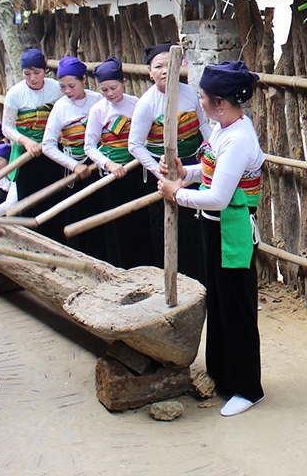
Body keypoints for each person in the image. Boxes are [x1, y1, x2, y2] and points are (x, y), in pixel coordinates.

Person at [158, 61, 265, 417]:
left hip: (231, 231)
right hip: (213, 227)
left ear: (220, 102)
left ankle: (247, 388)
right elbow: (207, 170)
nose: (198, 101)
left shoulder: (238, 139)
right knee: (218, 304)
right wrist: (181, 171)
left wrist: (176, 193)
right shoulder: (222, 128)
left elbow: (219, 197)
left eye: (202, 97)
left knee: (236, 310)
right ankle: (223, 376)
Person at [129, 42, 209, 278]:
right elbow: (134, 145)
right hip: (163, 175)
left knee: (195, 225)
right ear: (149, 72)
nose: (165, 70)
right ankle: (173, 279)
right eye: (158, 66)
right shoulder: (146, 104)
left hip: (192, 168)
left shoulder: (190, 93)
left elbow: (203, 125)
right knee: (168, 227)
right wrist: (159, 170)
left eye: (169, 64)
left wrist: (214, 153)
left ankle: (200, 279)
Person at [84, 57, 152, 267]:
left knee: (141, 222)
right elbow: (89, 146)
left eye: (113, 88)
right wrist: (109, 165)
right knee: (117, 225)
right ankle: (119, 266)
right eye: (104, 90)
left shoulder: (137, 104)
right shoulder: (98, 110)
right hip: (112, 176)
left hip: (137, 172)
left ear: (123, 82)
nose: (110, 94)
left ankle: (145, 265)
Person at [41, 56, 101, 249]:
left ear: (84, 80)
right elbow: (48, 145)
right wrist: (73, 165)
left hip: (99, 168)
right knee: (77, 215)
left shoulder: (97, 100)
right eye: (62, 87)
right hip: (74, 172)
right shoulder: (60, 107)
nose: (67, 91)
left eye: (72, 86)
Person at [1, 48, 62, 216]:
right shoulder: (15, 93)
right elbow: (6, 127)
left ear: (45, 70)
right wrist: (26, 142)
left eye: (37, 72)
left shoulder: (56, 88)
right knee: (27, 198)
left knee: (54, 196)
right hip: (25, 153)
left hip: (52, 148)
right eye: (27, 74)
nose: (32, 78)